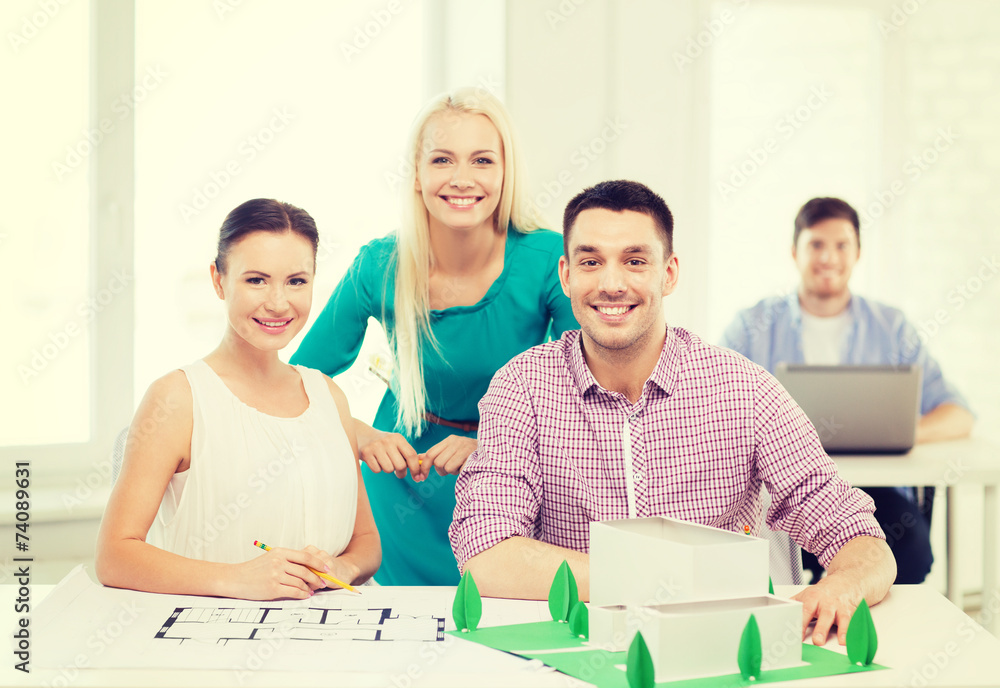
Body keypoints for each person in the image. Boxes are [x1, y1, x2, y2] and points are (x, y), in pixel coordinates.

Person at [450, 180, 895, 646]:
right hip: (572, 650)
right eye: (590, 262)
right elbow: (486, 556)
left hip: (714, 648)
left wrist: (841, 586)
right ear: (566, 275)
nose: (612, 283)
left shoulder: (743, 387)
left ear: (669, 273)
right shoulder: (520, 387)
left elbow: (860, 537)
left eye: (636, 261)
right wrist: (665, 575)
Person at [290, 88, 577, 586]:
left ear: (505, 172)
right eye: (442, 160)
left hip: (511, 485)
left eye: (482, 160)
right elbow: (296, 381)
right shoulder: (380, 264)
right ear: (417, 177)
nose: (461, 179)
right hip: (402, 487)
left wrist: (489, 443)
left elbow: (584, 395)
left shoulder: (551, 260)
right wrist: (358, 435)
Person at [96, 199, 380, 600]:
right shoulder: (176, 398)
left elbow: (365, 539)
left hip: (322, 636)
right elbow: (114, 556)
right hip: (209, 637)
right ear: (218, 280)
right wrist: (236, 579)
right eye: (256, 280)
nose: (279, 303)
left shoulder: (329, 397)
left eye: (297, 281)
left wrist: (341, 568)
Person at [719, 197, 974, 585]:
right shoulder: (752, 325)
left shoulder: (891, 326)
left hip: (871, 489)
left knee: (910, 553)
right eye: (816, 245)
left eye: (841, 245)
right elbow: (713, 400)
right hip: (781, 491)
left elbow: (957, 413)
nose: (829, 258)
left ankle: (873, 639)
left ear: (858, 253)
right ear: (795, 252)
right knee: (755, 560)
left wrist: (898, 433)